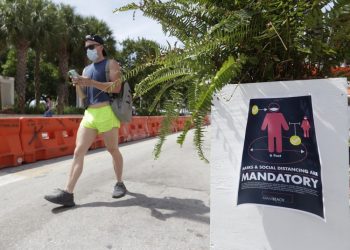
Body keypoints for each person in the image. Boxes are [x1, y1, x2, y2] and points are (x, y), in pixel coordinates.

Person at [44, 34, 126, 207]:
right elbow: (83, 98)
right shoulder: (86, 69)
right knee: (78, 151)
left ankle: (119, 182)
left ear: (101, 47)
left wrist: (91, 82)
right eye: (86, 48)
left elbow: (116, 87)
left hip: (107, 111)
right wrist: (79, 85)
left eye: (91, 46)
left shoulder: (111, 63)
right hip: (90, 113)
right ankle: (68, 193)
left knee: (112, 149)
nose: (88, 50)